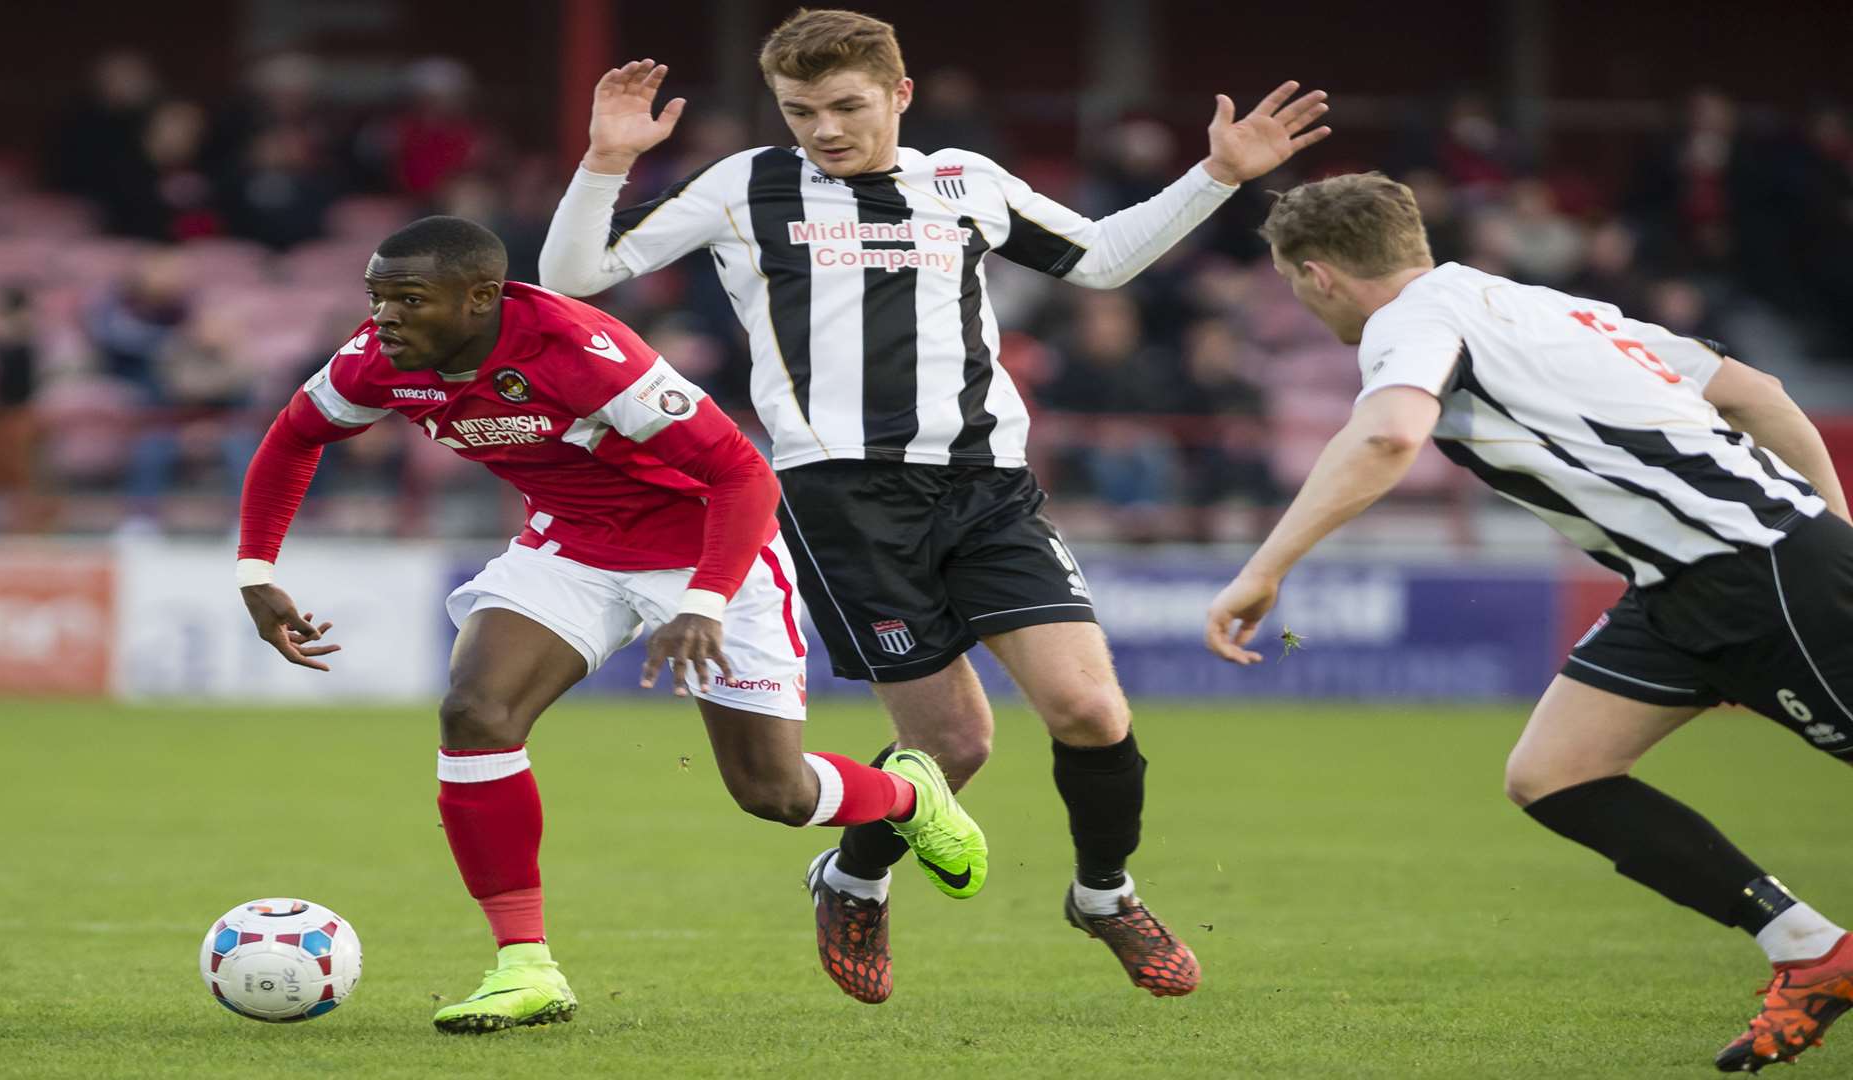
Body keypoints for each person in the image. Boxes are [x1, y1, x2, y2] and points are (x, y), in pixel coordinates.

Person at [538, 8, 1329, 1001]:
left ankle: (1102, 892)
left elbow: (1103, 260)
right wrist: (607, 161)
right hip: (840, 498)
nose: (822, 129)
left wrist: (1217, 174)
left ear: (899, 95)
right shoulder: (748, 184)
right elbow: (571, 280)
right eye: (799, 110)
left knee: (1088, 708)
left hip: (986, 486)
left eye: (846, 106)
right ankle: (856, 876)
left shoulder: (964, 181)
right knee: (955, 744)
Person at [235, 215, 985, 1033]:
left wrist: (703, 600)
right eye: (377, 298)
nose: (384, 319)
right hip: (571, 546)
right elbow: (294, 436)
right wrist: (257, 568)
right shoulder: (379, 359)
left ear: (481, 298)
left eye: (408, 299)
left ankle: (910, 796)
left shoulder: (579, 352)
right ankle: (525, 967)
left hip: (703, 545)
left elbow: (741, 473)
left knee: (773, 792)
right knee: (475, 714)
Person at [1204, 172, 1853, 1073]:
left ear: (1316, 275)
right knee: (1555, 773)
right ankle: (1811, 951)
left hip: (1756, 567)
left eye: (1291, 286)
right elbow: (1755, 392)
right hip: (1684, 584)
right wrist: (1833, 525)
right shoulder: (1538, 302)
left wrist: (1262, 568)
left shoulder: (1409, 323)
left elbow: (1390, 436)